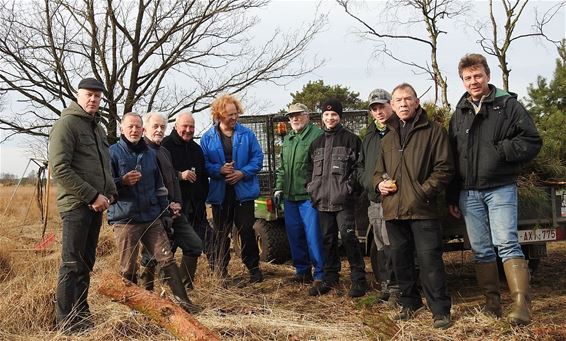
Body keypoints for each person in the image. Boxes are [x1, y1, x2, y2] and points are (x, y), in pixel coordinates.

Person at [447, 53, 542, 325]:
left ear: (487, 75)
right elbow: (453, 156)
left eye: (478, 75)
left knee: (507, 243)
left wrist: (501, 151)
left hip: (500, 188)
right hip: (469, 192)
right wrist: (453, 194)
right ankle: (492, 303)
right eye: (468, 78)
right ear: (462, 81)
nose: (474, 81)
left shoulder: (508, 105)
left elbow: (532, 140)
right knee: (481, 249)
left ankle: (522, 305)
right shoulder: (460, 112)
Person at [373, 83, 454, 329]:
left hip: (422, 209)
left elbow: (445, 168)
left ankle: (440, 310)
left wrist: (422, 192)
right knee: (401, 260)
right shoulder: (387, 138)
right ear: (393, 106)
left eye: (408, 99)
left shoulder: (434, 131)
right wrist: (380, 186)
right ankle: (410, 303)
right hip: (394, 210)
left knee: (430, 261)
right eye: (398, 100)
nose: (403, 104)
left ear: (417, 102)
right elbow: (378, 172)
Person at [107, 112, 198, 313]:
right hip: (126, 219)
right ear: (122, 128)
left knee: (166, 258)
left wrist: (164, 214)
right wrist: (122, 182)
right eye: (130, 126)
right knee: (128, 267)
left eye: (137, 127)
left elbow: (160, 187)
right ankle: (131, 309)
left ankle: (185, 304)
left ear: (142, 129)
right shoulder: (112, 153)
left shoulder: (149, 154)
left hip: (151, 217)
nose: (134, 130)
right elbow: (104, 186)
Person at [49, 77, 117, 333]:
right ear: (78, 95)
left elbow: (103, 166)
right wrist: (91, 196)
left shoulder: (97, 128)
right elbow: (60, 169)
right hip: (77, 206)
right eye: (89, 94)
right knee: (72, 263)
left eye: (98, 97)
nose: (93, 99)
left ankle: (81, 314)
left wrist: (111, 193)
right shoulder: (66, 125)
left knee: (86, 262)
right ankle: (67, 324)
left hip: (96, 206)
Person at [307, 98, 368, 298]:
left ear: (339, 117)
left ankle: (358, 280)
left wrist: (349, 189)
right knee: (327, 239)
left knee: (349, 238)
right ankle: (330, 278)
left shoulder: (351, 140)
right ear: (321, 117)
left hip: (344, 201)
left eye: (334, 115)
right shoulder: (316, 144)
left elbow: (359, 169)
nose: (330, 118)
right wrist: (312, 189)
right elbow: (309, 170)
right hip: (322, 201)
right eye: (326, 114)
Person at [200, 94, 264, 283]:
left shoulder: (247, 134)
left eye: (236, 114)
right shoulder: (207, 138)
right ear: (219, 115)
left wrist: (242, 173)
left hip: (243, 191)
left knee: (246, 230)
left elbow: (258, 159)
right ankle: (221, 270)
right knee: (221, 233)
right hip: (220, 193)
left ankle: (254, 269)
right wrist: (219, 170)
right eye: (230, 114)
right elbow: (204, 164)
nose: (234, 117)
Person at [139, 112, 204, 291]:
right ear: (145, 128)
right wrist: (166, 206)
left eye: (162, 127)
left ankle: (182, 290)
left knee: (194, 245)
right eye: (155, 126)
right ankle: (147, 293)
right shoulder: (141, 151)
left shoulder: (164, 151)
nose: (159, 130)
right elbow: (146, 184)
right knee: (150, 256)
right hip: (153, 213)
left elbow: (172, 180)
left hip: (175, 212)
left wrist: (176, 203)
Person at [273, 103, 324, 284]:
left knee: (314, 236)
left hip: (308, 197)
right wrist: (279, 187)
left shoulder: (317, 136)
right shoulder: (288, 139)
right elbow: (282, 168)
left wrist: (315, 189)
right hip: (290, 196)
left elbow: (321, 167)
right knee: (295, 234)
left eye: (298, 115)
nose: (294, 119)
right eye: (291, 116)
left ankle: (320, 274)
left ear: (307, 116)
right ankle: (302, 271)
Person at [355, 88, 396, 303]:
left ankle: (399, 288)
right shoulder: (369, 136)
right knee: (380, 246)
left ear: (391, 105)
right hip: (375, 200)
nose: (379, 112)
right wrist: (371, 184)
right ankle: (386, 286)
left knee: (395, 245)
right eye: (374, 109)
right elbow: (360, 167)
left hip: (396, 200)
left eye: (382, 106)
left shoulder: (399, 130)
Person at [162, 112, 211, 256]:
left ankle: (219, 275)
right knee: (167, 249)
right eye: (185, 126)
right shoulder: (165, 146)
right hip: (173, 209)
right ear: (176, 126)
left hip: (196, 208)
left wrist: (201, 200)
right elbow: (160, 175)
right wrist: (179, 175)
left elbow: (203, 178)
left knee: (205, 243)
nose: (189, 130)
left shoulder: (196, 150)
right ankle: (164, 278)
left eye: (192, 127)